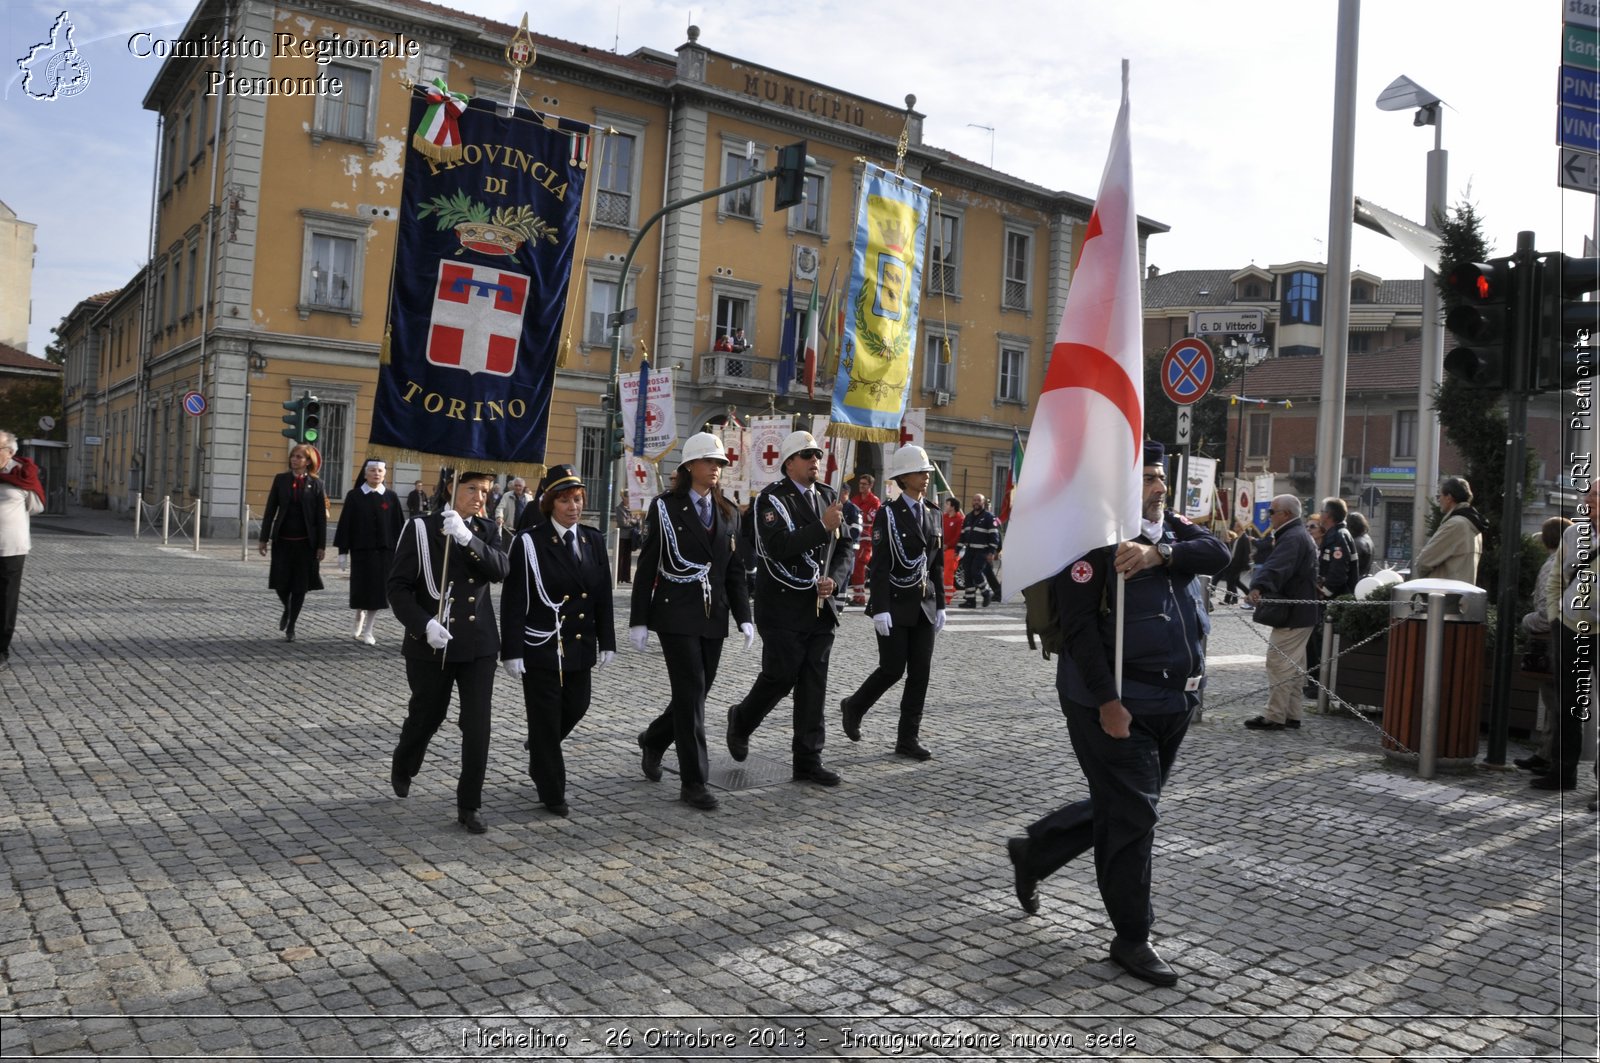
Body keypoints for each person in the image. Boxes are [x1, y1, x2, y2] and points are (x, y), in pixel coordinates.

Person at [1004, 440, 1228, 988]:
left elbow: (1222, 555)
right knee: (1134, 817)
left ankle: (1037, 850)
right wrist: (1108, 704)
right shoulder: (1090, 542)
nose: (1159, 486)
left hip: (1173, 701)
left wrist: (1161, 555)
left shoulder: (1171, 533)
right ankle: (1132, 936)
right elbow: (1079, 632)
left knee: (1130, 805)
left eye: (1160, 477)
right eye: (1148, 478)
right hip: (1112, 703)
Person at [630, 433, 754, 810]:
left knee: (696, 694)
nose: (716, 468)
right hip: (676, 612)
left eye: (719, 464)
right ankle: (694, 781)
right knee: (691, 693)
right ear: (689, 467)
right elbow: (648, 563)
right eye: (709, 462)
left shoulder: (728, 511)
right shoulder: (666, 507)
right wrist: (639, 618)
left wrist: (744, 617)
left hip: (713, 614)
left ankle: (653, 739)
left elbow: (734, 571)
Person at [726, 430, 853, 787]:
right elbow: (778, 546)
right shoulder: (772, 500)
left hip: (819, 607)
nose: (815, 462)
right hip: (782, 606)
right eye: (807, 456)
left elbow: (845, 548)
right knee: (781, 676)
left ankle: (808, 760)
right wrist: (821, 527)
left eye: (817, 455)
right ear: (789, 463)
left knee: (814, 682)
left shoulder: (828, 495)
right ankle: (742, 719)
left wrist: (835, 579)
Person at [387, 470, 509, 834]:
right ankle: (404, 761)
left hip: (478, 644)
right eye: (472, 489)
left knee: (477, 726)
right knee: (427, 714)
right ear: (450, 489)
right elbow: (397, 588)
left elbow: (501, 568)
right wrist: (423, 624)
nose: (479, 497)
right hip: (432, 643)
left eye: (485, 491)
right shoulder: (421, 529)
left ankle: (469, 804)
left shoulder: (487, 530)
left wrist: (467, 537)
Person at [500, 465, 616, 817]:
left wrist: (607, 641)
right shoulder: (529, 542)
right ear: (550, 503)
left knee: (577, 706)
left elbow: (602, 597)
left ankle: (539, 747)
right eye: (565, 500)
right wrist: (512, 650)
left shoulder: (593, 540)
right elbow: (514, 599)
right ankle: (552, 791)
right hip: (543, 646)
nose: (573, 507)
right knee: (546, 719)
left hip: (579, 646)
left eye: (578, 499)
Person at [839, 445, 946, 760]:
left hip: (923, 603)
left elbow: (935, 564)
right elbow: (881, 563)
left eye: (926, 472)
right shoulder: (889, 513)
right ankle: (855, 705)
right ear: (903, 477)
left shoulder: (934, 512)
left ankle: (907, 739)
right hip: (896, 603)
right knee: (892, 668)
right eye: (918, 472)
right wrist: (880, 607)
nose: (925, 477)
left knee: (920, 673)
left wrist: (940, 604)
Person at [1542, 476, 1599, 793]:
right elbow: (1555, 580)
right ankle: (1562, 773)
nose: (1590, 499)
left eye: (1597, 494)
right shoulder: (1573, 532)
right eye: (1589, 493)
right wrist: (1554, 618)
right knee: (1567, 704)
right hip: (1569, 628)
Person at [1243, 495, 1320, 731]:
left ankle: (1275, 715)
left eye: (1272, 511)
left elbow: (1277, 566)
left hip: (1294, 612)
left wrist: (1258, 586)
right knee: (1294, 667)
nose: (1269, 516)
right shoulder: (1296, 534)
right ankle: (1291, 714)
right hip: (1302, 610)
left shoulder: (1292, 536)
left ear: (1285, 514)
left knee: (1278, 662)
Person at [1517, 516, 1572, 776]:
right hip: (1561, 638)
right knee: (1554, 703)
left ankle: (1551, 758)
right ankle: (1545, 754)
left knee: (1555, 703)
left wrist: (1525, 622)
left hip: (1552, 640)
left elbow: (1546, 611)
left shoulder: (1554, 565)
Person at [257, 443, 328, 642]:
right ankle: (287, 608)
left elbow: (320, 517)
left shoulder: (317, 484)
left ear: (308, 462)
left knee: (299, 586)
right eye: (293, 456)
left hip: (306, 544)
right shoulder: (281, 480)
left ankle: (292, 626)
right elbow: (270, 510)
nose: (295, 460)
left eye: (299, 457)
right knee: (280, 584)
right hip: (283, 541)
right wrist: (263, 539)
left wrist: (322, 545)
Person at [332, 458, 406, 645]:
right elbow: (346, 524)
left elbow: (398, 527)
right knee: (362, 589)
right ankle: (359, 613)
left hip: (384, 553)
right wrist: (343, 552)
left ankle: (368, 630)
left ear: (384, 474)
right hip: (361, 552)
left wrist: (401, 552)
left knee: (378, 592)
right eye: (372, 470)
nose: (376, 474)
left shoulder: (391, 497)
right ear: (365, 474)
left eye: (380, 471)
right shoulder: (354, 496)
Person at [0, 430, 45, 670]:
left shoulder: (22, 473)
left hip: (11, 545)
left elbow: (35, 505)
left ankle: (1, 649)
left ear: (9, 451)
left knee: (6, 599)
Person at [1414, 476, 1487, 583]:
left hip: (1442, 594)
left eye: (1440, 495)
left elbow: (1423, 562)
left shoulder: (1455, 525)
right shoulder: (1473, 525)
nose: (1438, 500)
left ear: (1449, 497)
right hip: (1463, 593)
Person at [958, 493, 1001, 608]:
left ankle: (987, 592)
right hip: (969, 550)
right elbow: (963, 534)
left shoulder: (989, 517)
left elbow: (994, 536)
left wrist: (992, 551)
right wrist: (957, 549)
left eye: (979, 500)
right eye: (974, 500)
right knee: (967, 574)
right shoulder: (968, 517)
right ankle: (970, 600)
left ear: (983, 503)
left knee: (975, 572)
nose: (976, 502)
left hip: (982, 551)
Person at [847, 473, 881, 606]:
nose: (861, 486)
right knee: (853, 567)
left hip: (867, 540)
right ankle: (857, 595)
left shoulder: (874, 501)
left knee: (859, 566)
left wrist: (858, 515)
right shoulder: (855, 499)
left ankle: (860, 598)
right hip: (855, 539)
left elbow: (871, 518)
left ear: (871, 485)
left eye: (864, 484)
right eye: (860, 484)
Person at [1218, 520, 1252, 606]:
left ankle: (1227, 600)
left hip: (1238, 565)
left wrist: (1245, 565)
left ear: (1240, 528)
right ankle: (1244, 595)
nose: (1234, 528)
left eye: (1236, 526)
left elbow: (1246, 552)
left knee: (1230, 581)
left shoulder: (1245, 538)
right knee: (1236, 582)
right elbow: (1233, 550)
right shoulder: (1237, 538)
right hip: (1233, 563)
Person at [613, 494, 640, 584]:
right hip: (621, 537)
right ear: (623, 498)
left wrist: (630, 520)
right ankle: (618, 577)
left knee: (628, 557)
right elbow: (623, 523)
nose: (629, 499)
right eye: (627, 497)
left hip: (631, 537)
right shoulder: (619, 508)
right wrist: (632, 521)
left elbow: (638, 521)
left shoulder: (633, 508)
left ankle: (627, 578)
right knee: (620, 557)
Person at [494, 477, 530, 542]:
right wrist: (499, 517)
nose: (518, 488)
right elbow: (500, 508)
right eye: (516, 485)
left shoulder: (529, 498)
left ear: (523, 486)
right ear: (513, 486)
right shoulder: (507, 496)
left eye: (520, 486)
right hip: (509, 530)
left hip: (524, 530)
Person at [1346, 511, 1375, 579]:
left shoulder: (1356, 543)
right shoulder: (1367, 539)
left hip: (1355, 581)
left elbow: (1350, 565)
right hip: (1363, 578)